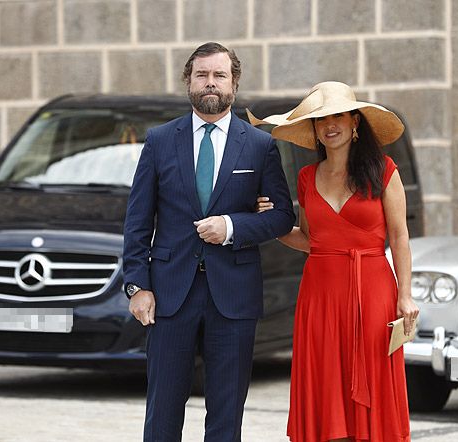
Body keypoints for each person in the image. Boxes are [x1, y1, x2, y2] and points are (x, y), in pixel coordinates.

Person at [123, 42, 295, 442]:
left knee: (226, 412)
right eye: (202, 75)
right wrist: (137, 285)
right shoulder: (160, 140)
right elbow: (137, 221)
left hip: (233, 296)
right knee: (162, 410)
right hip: (168, 293)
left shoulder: (259, 144)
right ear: (189, 81)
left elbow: (283, 215)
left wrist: (232, 227)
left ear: (234, 83)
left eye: (220, 75)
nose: (211, 83)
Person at [250, 81, 419, 442]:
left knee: (373, 383)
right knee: (326, 386)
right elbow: (311, 241)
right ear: (313, 129)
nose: (330, 125)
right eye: (321, 119)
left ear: (355, 122)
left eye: (339, 115)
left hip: (372, 293)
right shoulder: (307, 177)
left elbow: (400, 236)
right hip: (321, 298)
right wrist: (270, 224)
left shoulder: (385, 170)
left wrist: (405, 295)